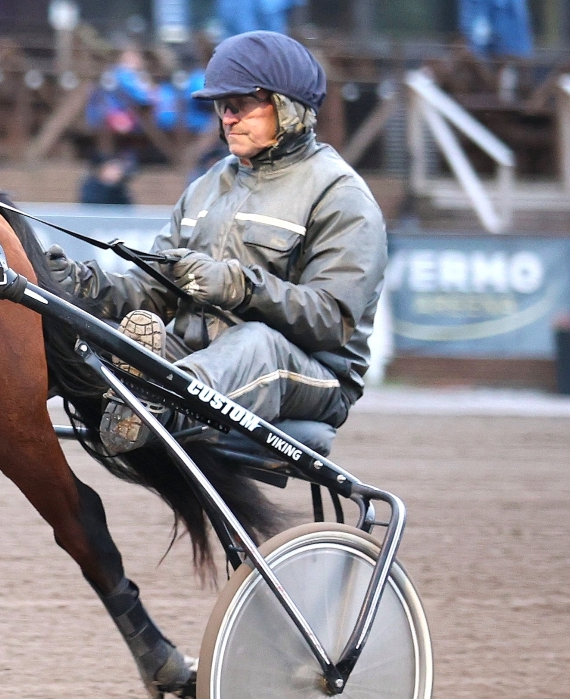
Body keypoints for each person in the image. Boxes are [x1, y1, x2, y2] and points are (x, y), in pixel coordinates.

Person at [44, 31, 386, 452]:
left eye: (241, 105)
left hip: (308, 375)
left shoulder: (339, 194)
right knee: (89, 334)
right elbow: (153, 291)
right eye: (223, 106)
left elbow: (333, 320)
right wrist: (82, 283)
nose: (228, 118)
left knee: (254, 342)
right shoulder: (206, 187)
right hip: (195, 359)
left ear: (287, 108)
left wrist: (241, 287)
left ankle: (151, 402)